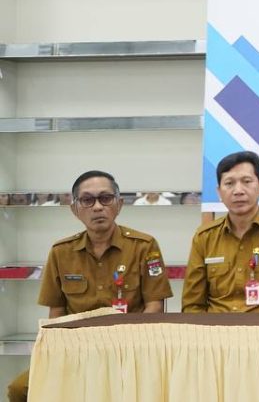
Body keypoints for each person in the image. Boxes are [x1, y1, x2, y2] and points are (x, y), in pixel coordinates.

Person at [8, 171, 172, 402]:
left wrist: (128, 347)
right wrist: (60, 353)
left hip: (129, 351)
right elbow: (56, 314)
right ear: (75, 209)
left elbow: (155, 307)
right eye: (87, 200)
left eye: (105, 198)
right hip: (76, 351)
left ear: (119, 204)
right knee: (19, 389)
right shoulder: (61, 252)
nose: (97, 207)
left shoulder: (143, 246)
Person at [182, 151, 259, 312]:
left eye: (247, 181)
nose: (238, 191)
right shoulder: (205, 237)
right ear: (219, 192)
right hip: (216, 326)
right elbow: (192, 305)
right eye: (229, 183)